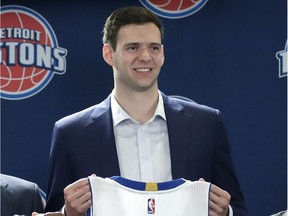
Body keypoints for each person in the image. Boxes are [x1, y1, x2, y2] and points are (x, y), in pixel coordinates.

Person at [45, 6, 248, 216]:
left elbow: (238, 208)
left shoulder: (206, 124)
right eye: (133, 48)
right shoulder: (70, 133)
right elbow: (55, 211)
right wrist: (68, 213)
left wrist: (226, 213)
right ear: (109, 54)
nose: (145, 57)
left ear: (162, 54)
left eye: (153, 48)